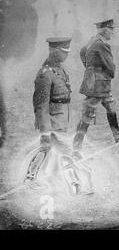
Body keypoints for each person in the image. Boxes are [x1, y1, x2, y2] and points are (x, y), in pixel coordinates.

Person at [72, 19, 119, 160]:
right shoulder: (102, 44)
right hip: (98, 83)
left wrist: (89, 68)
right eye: (111, 29)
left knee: (110, 106)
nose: (113, 32)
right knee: (88, 112)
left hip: (97, 81)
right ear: (105, 30)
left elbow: (82, 52)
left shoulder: (92, 40)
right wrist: (107, 72)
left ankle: (118, 135)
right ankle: (76, 145)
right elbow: (110, 66)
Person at [24, 38, 72, 186]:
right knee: (47, 147)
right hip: (51, 120)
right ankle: (30, 178)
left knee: (57, 150)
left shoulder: (59, 69)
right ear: (54, 51)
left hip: (61, 118)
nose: (66, 55)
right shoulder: (45, 73)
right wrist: (45, 130)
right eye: (63, 52)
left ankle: (58, 180)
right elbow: (41, 104)